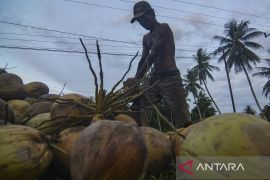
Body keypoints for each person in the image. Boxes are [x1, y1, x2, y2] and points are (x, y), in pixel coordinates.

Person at [126, 1, 191, 127]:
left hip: (170, 77)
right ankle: (143, 132)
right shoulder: (146, 38)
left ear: (151, 14)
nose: (142, 23)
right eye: (139, 21)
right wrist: (135, 79)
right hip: (155, 79)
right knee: (140, 106)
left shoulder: (164, 29)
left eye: (143, 18)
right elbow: (143, 59)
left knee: (183, 116)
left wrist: (137, 79)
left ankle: (191, 135)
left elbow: (152, 56)